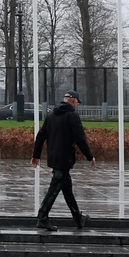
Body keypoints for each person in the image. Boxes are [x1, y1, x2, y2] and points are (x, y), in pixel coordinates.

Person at [32, 89, 95, 231]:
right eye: (77, 103)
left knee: (67, 190)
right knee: (54, 189)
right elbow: (80, 139)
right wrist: (89, 155)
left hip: (54, 157)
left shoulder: (51, 115)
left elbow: (41, 136)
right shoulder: (72, 116)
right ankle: (42, 217)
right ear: (73, 101)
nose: (77, 106)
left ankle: (78, 218)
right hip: (65, 158)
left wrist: (35, 155)